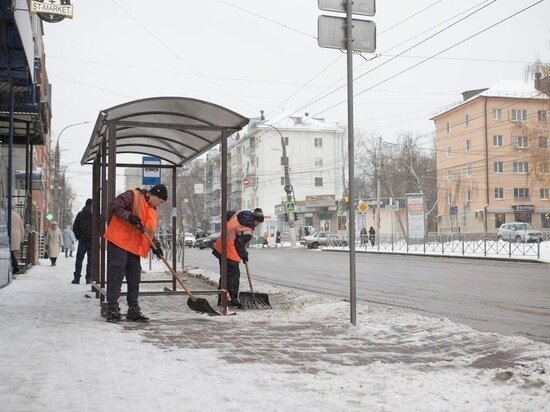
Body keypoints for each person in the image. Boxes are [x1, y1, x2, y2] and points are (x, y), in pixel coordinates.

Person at [103, 184, 167, 322]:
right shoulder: (133, 196)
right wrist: (129, 216)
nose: (160, 205)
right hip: (119, 241)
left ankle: (133, 309)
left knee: (134, 277)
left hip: (134, 246)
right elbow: (114, 206)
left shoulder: (152, 210)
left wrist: (155, 246)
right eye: (160, 201)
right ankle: (112, 308)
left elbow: (148, 232)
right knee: (117, 273)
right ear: (155, 195)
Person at [212, 208, 264, 308]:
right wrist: (244, 256)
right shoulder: (247, 231)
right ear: (256, 221)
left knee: (225, 276)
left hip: (220, 247)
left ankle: (222, 299)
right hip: (229, 252)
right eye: (258, 222)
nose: (258, 225)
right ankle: (233, 300)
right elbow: (239, 245)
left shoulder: (238, 215)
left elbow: (227, 214)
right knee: (233, 277)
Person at [72, 198, 93, 284]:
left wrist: (79, 236)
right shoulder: (95, 214)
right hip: (92, 240)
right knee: (91, 260)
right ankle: (89, 278)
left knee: (79, 260)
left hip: (83, 240)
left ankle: (77, 278)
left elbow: (75, 227)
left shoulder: (80, 214)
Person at [10, 208, 25, 275]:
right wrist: (22, 239)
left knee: (10, 253)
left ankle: (15, 268)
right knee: (10, 253)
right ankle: (15, 268)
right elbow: (22, 228)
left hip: (9, 236)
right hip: (16, 237)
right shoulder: (18, 216)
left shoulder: (7, 214)